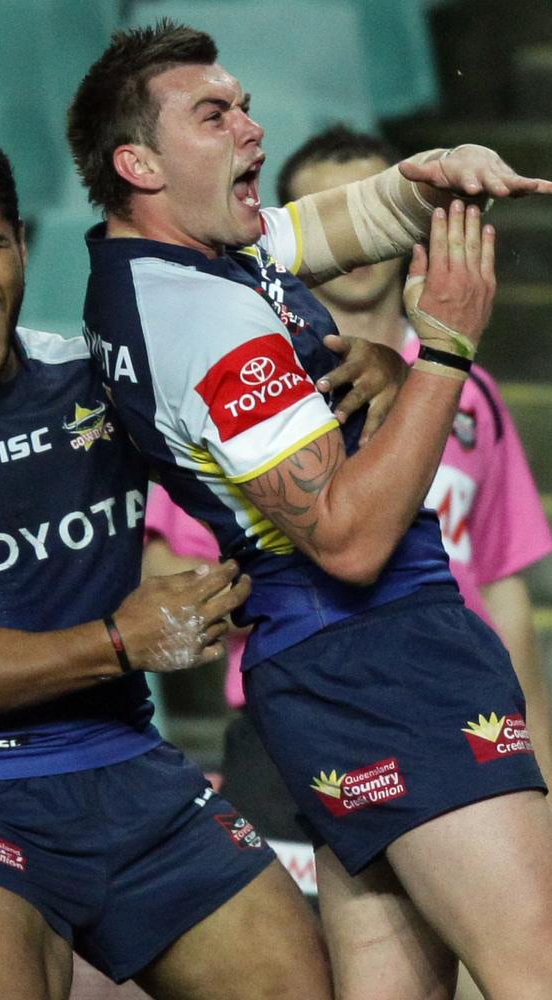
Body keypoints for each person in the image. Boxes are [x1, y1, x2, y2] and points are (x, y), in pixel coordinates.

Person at [67, 21, 552, 1000]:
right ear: (139, 162)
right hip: (378, 655)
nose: (251, 129)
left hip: (322, 669)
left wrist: (427, 177)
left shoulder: (187, 260)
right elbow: (348, 537)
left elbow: (335, 223)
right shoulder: (201, 319)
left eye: (244, 103)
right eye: (215, 115)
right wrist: (442, 353)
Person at [0, 131, 335, 1000]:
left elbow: (251, 350)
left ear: (24, 243)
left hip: (130, 764)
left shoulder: (92, 373)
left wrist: (373, 369)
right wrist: (116, 640)